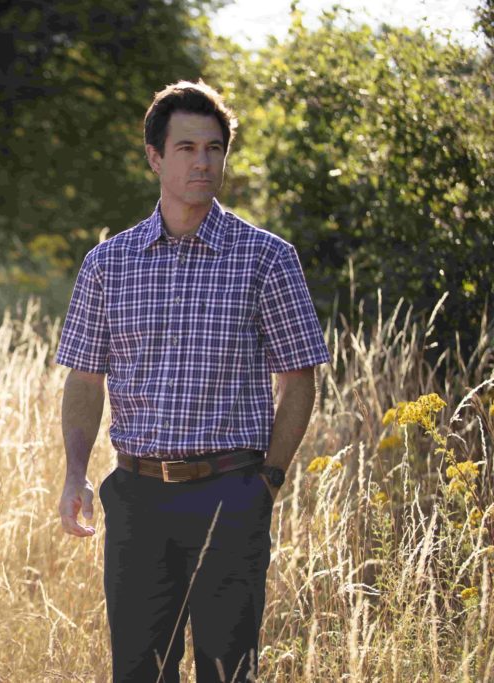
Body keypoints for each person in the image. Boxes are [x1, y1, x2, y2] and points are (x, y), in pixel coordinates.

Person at [54, 80, 329, 683]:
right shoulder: (108, 263)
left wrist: (268, 482)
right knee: (138, 670)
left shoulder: (267, 258)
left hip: (230, 494)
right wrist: (76, 473)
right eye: (185, 148)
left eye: (213, 148)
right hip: (137, 496)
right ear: (155, 156)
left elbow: (300, 378)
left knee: (227, 670)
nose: (202, 162)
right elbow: (84, 377)